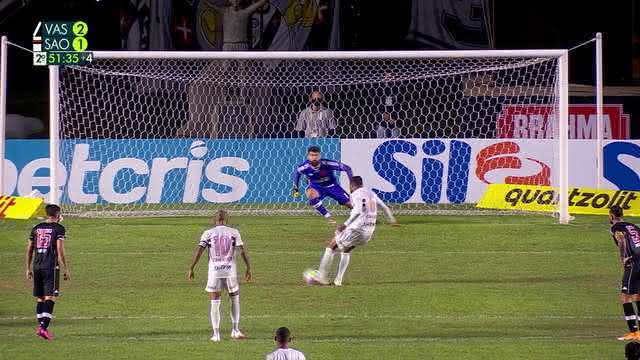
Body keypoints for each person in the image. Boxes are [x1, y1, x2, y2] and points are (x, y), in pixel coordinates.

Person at [310, 176, 397, 286]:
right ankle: (338, 281)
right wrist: (392, 221)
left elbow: (358, 210)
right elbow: (385, 207)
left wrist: (345, 225)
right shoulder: (371, 193)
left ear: (351, 186)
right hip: (368, 232)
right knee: (346, 250)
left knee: (331, 246)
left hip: (357, 229)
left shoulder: (355, 194)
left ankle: (321, 276)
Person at [188, 210, 252, 342]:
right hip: (230, 272)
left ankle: (216, 335)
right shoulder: (234, 232)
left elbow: (199, 250)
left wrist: (191, 267)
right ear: (227, 220)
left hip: (214, 272)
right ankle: (235, 330)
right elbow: (242, 251)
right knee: (234, 299)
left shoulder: (208, 233)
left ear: (214, 220)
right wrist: (248, 267)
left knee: (215, 303)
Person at [25, 204, 70, 341]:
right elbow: (59, 249)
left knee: (40, 298)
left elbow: (29, 249)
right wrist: (66, 268)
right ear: (57, 214)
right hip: (50, 266)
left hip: (37, 266)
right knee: (50, 297)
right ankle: (43, 328)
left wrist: (28, 268)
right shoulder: (59, 228)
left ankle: (41, 328)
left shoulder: (36, 228)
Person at [292, 145, 353, 222]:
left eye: (316, 155)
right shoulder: (304, 167)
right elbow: (297, 173)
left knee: (351, 205)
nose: (314, 157)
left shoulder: (327, 163)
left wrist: (352, 184)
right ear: (308, 156)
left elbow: (347, 168)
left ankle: (365, 216)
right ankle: (328, 217)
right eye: (312, 155)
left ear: (320, 156)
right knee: (310, 194)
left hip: (332, 186)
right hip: (316, 187)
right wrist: (295, 187)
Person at [610, 205, 640, 341]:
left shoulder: (616, 228)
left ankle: (634, 332)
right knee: (637, 295)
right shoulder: (632, 225)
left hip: (633, 263)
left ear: (611, 216)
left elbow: (621, 240)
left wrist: (624, 258)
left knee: (625, 297)